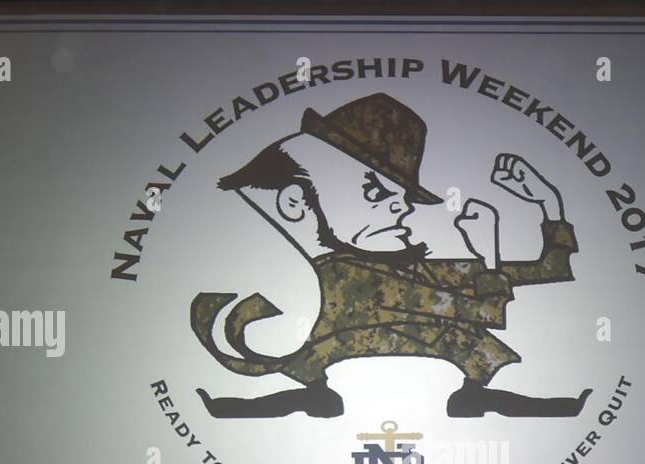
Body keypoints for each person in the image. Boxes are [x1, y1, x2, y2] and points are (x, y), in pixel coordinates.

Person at [190, 92, 592, 419]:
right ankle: (310, 398)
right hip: (334, 373)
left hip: (413, 384)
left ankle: (472, 396)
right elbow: (487, 313)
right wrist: (487, 255)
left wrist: (549, 204)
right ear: (296, 202)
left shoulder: (407, 269)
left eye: (404, 198)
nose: (403, 208)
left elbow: (550, 270)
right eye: (376, 192)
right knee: (468, 340)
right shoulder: (346, 281)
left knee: (469, 351)